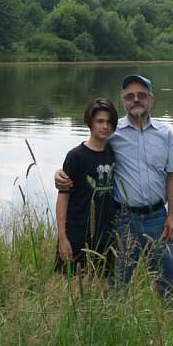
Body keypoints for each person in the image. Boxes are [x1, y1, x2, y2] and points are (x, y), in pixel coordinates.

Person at [55, 74, 173, 309]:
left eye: (142, 95)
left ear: (152, 100)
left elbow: (172, 175)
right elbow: (87, 153)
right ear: (123, 101)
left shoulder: (165, 134)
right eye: (130, 96)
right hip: (122, 221)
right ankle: (111, 326)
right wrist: (61, 173)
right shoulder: (113, 133)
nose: (136, 100)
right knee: (115, 286)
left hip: (158, 219)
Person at [54, 97, 119, 275]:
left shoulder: (114, 153)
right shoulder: (76, 156)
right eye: (99, 121)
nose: (105, 126)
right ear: (89, 123)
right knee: (74, 287)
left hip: (107, 236)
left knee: (104, 288)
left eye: (109, 122)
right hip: (77, 234)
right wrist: (62, 237)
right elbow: (63, 195)